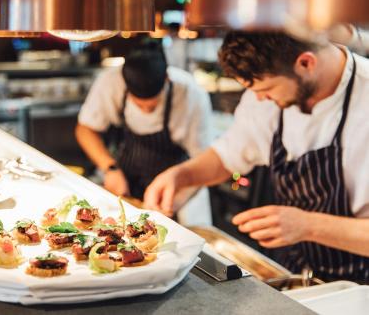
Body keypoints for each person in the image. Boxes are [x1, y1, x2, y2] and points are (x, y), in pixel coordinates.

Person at [144, 30, 369, 283]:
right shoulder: (264, 93)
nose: (260, 98)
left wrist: (308, 225)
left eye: (267, 89)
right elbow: (229, 155)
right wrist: (181, 175)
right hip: (293, 275)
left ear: (306, 63)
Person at [76, 47, 213, 225]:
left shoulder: (191, 94)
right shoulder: (110, 82)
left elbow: (203, 161)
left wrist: (174, 201)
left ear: (166, 79)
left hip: (176, 187)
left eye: (152, 105)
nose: (146, 110)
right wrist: (110, 169)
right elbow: (85, 130)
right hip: (124, 180)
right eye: (139, 105)